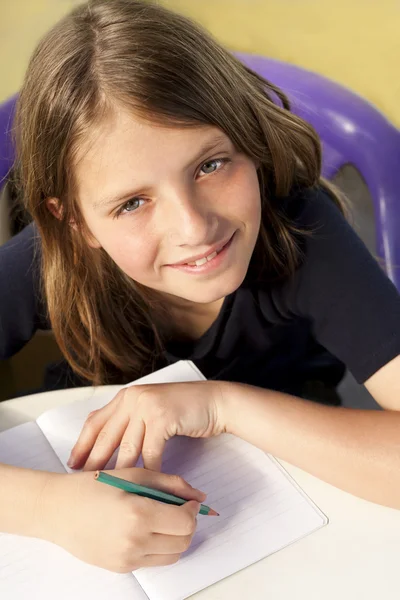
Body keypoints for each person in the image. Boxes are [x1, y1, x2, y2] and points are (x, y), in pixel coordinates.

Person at [1, 0, 400, 574]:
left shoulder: (302, 233)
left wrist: (221, 403)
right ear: (75, 222)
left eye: (211, 165)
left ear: (252, 140)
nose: (194, 228)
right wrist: (48, 509)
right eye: (133, 202)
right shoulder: (48, 258)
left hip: (303, 483)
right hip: (89, 506)